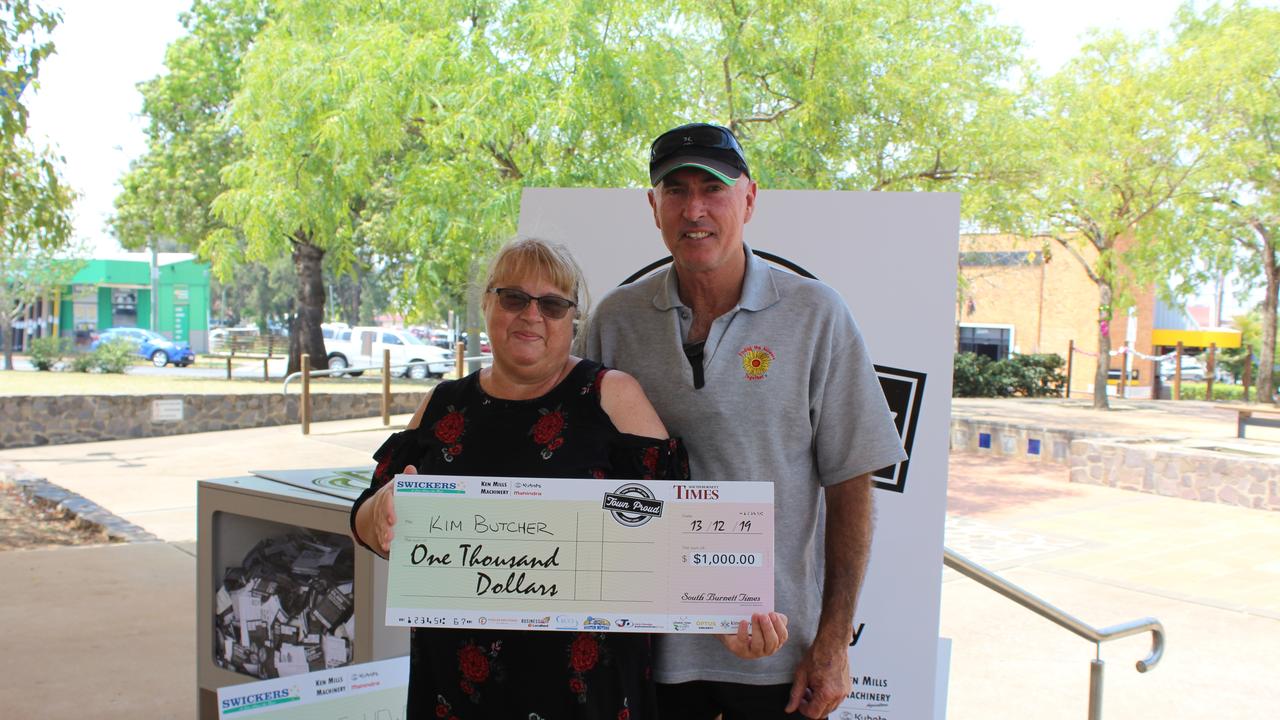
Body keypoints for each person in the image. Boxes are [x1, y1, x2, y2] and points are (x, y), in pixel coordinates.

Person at [350, 238, 786, 719]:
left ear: (573, 319)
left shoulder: (611, 397)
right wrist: (379, 517)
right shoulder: (442, 404)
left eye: (554, 304)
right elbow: (368, 516)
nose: (532, 316)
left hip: (584, 692)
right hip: (455, 689)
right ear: (487, 304)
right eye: (513, 297)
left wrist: (722, 614)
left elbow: (680, 531)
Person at [581, 123, 907, 719]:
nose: (694, 208)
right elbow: (574, 472)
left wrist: (833, 643)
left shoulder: (816, 314)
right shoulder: (615, 320)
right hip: (642, 648)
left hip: (775, 655)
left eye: (714, 187)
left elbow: (851, 484)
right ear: (653, 207)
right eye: (675, 190)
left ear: (750, 199)